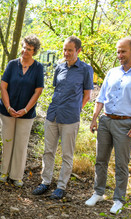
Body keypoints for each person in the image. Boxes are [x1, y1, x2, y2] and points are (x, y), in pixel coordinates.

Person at [86, 37, 131, 214]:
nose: (119, 55)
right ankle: (98, 192)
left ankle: (118, 199)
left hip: (126, 123)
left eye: (123, 51)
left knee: (121, 163)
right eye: (118, 51)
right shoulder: (112, 72)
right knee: (100, 159)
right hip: (106, 120)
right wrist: (94, 118)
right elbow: (101, 97)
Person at [32, 36, 94, 199]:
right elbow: (56, 89)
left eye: (70, 50)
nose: (66, 53)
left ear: (78, 51)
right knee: (48, 151)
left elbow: (87, 95)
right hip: (52, 114)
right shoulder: (59, 67)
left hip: (70, 118)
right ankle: (45, 182)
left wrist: (75, 109)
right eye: (65, 49)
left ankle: (61, 186)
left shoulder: (86, 69)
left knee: (67, 154)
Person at [0, 35, 45, 187]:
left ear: (34, 51)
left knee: (21, 144)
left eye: (29, 49)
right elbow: (3, 86)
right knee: (8, 142)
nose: (25, 51)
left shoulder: (38, 68)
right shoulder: (12, 65)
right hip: (7, 112)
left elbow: (38, 91)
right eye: (24, 47)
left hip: (26, 114)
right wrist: (8, 107)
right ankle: (4, 172)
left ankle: (16, 175)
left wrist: (25, 109)